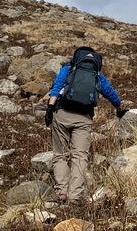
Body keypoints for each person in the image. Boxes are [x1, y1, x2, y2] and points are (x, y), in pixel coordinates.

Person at [45, 46, 124, 203]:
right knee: (80, 157)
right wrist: (119, 109)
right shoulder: (97, 75)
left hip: (62, 115)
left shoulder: (68, 70)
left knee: (60, 155)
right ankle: (75, 196)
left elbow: (57, 88)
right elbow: (112, 94)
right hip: (83, 118)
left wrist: (50, 108)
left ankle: (62, 192)